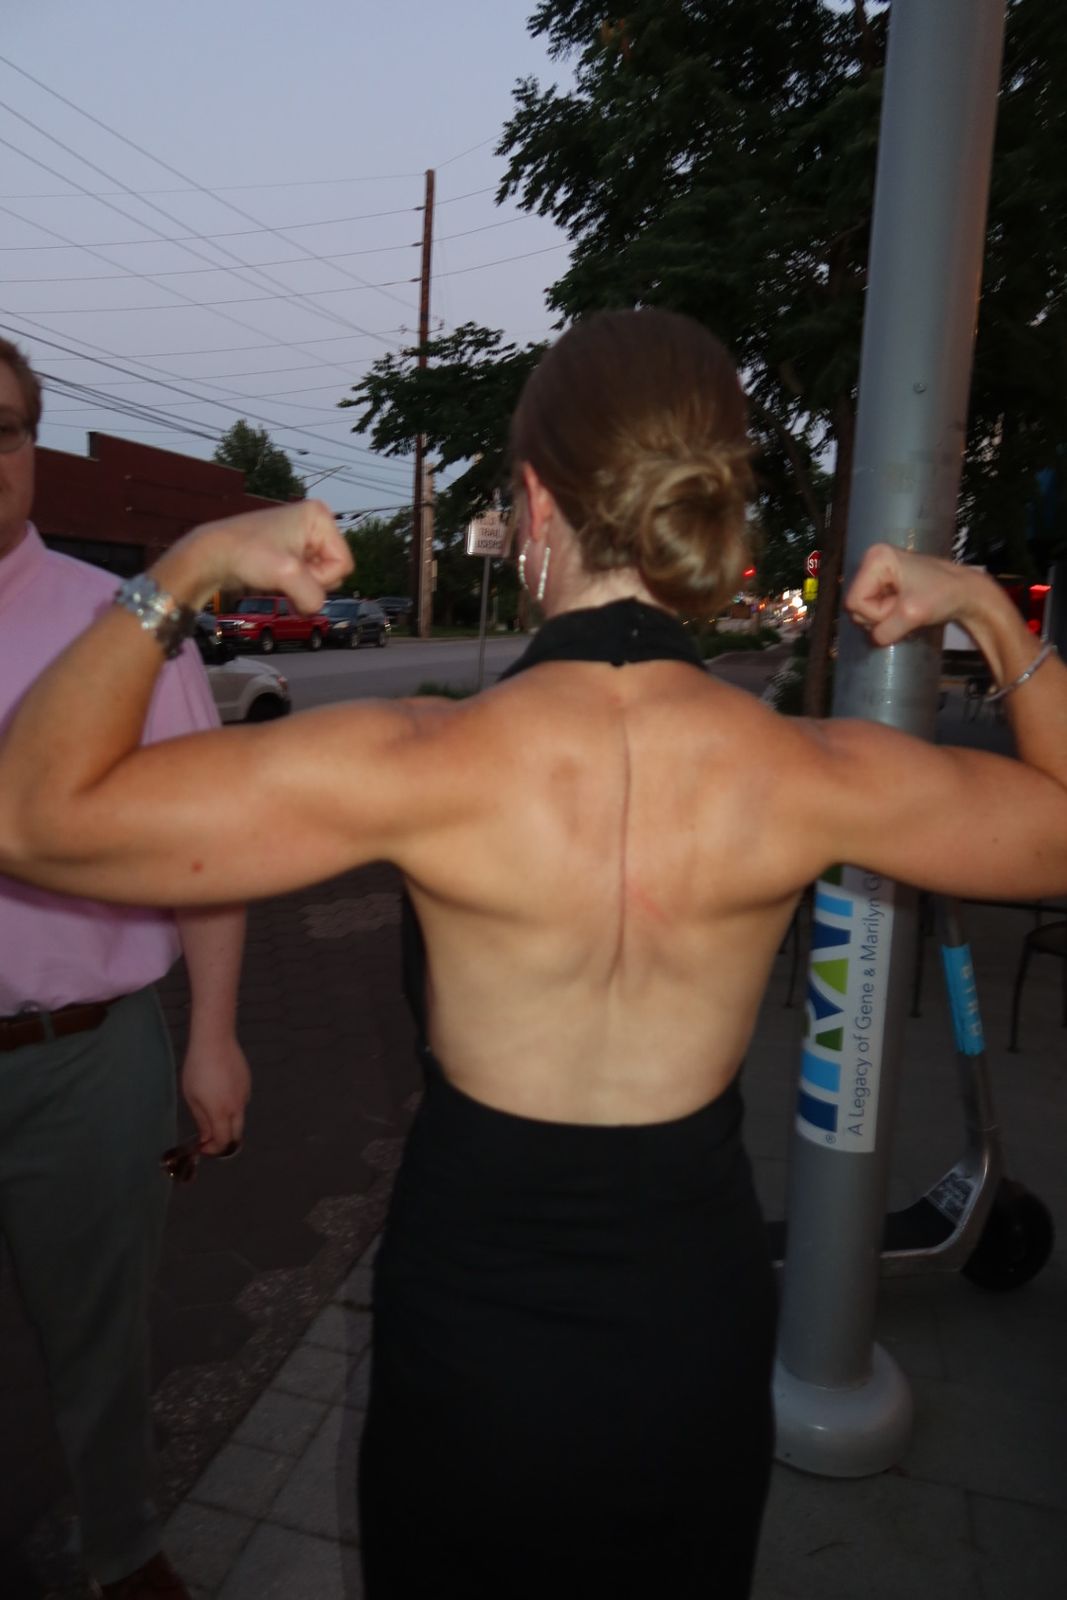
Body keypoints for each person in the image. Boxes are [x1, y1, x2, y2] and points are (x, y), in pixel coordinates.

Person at [1, 309, 1066, 1599]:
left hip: (475, 1310)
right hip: (691, 1307)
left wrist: (187, 567)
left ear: (536, 503)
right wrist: (984, 612)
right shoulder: (809, 772)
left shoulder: (421, 757)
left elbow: (33, 814)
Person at [0, 338, 250, 1600]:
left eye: (1, 430)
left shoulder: (125, 627)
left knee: (100, 1336)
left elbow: (208, 843)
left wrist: (213, 1034)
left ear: (32, 447)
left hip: (86, 1059)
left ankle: (121, 1545)